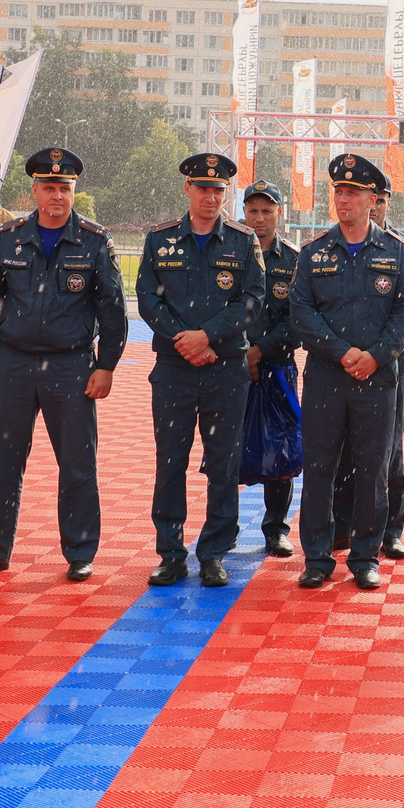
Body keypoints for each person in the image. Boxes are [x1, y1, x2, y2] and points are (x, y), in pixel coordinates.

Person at [0, 148, 125, 580]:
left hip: (70, 366)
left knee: (77, 462)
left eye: (66, 188)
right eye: (49, 187)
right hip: (11, 363)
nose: (58, 196)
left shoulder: (94, 241)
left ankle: (79, 552)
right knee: (3, 461)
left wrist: (106, 364)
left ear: (75, 192)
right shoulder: (9, 237)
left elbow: (112, 309)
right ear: (34, 190)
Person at [289, 154, 404, 591]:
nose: (343, 199)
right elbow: (302, 312)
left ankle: (365, 557)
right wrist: (344, 351)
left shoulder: (397, 253)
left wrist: (378, 354)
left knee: (373, 471)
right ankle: (317, 556)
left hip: (378, 380)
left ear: (373, 200)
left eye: (353, 193)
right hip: (328, 378)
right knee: (321, 469)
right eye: (338, 192)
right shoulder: (313, 253)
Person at [133, 152, 259, 586]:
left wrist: (206, 336)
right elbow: (148, 299)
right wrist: (184, 340)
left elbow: (252, 299)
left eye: (219, 190)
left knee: (224, 464)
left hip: (225, 370)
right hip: (173, 368)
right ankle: (170, 553)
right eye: (203, 188)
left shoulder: (244, 241)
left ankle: (214, 553)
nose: (211, 196)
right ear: (188, 189)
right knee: (170, 461)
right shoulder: (160, 239)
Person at [339, 187, 404, 561]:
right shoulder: (334, 245)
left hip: (390, 366)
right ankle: (342, 526)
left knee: (389, 451)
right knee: (341, 450)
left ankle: (390, 530)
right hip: (342, 366)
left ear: (386, 203)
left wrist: (380, 354)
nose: (373, 208)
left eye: (381, 201)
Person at [240, 180, 299, 559]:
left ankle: (276, 528)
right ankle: (223, 525)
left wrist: (259, 350)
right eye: (253, 210)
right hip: (230, 367)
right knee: (226, 448)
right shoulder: (229, 251)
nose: (259, 219)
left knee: (282, 451)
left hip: (277, 367)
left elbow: (298, 319)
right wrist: (240, 352)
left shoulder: (294, 260)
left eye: (267, 211)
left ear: (280, 212)